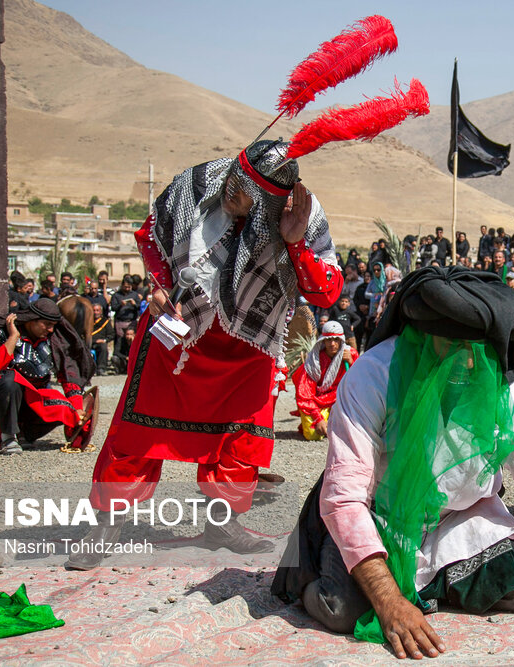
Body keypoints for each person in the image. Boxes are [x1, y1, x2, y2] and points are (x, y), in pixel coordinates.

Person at [272, 267, 514, 657]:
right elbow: (345, 498)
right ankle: (322, 569)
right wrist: (387, 601)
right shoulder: (374, 375)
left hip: (457, 518)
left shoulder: (507, 388)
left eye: (478, 351)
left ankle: (422, 586)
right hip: (377, 513)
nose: (467, 363)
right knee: (343, 611)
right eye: (451, 347)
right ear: (421, 337)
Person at [66, 138, 342, 570]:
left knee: (243, 438)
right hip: (178, 334)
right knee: (137, 433)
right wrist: (159, 285)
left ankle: (223, 524)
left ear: (270, 203)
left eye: (244, 195)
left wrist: (295, 244)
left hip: (250, 342)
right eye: (234, 181)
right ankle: (105, 524)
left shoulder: (303, 215)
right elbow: (149, 236)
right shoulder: (196, 183)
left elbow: (325, 289)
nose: (230, 193)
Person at [0, 299, 96, 455]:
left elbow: (68, 375)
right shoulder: (1, 332)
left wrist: (77, 409)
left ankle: (24, 435)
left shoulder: (53, 339)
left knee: (62, 406)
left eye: (53, 326)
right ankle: (8, 437)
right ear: (31, 320)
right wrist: (13, 337)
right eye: (46, 324)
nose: (50, 330)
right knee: (9, 380)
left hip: (30, 401)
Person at [292, 321, 358, 440]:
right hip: (316, 403)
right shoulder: (314, 362)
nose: (332, 344)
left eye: (336, 340)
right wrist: (318, 419)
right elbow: (305, 395)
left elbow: (359, 384)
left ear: (342, 341)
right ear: (323, 341)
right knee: (313, 435)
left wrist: (352, 363)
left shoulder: (350, 354)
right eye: (328, 340)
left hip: (339, 402)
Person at [90, 303, 115, 374]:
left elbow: (111, 334)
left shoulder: (105, 322)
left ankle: (101, 368)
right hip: (89, 342)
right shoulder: (87, 321)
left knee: (103, 347)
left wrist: (104, 340)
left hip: (100, 343)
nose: (95, 312)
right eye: (94, 310)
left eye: (97, 310)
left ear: (101, 311)